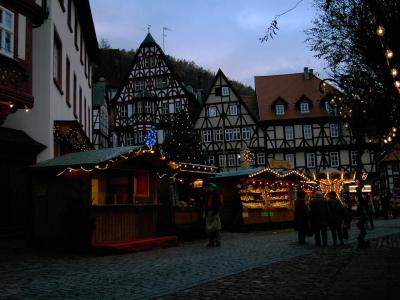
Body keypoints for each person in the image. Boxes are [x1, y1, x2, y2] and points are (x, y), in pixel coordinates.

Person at [204, 182, 223, 247]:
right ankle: (211, 242)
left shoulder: (217, 195)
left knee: (216, 228)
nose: (208, 189)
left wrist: (215, 210)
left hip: (214, 212)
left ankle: (218, 242)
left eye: (210, 187)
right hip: (209, 213)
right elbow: (206, 204)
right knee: (209, 229)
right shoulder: (207, 195)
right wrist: (205, 212)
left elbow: (219, 204)